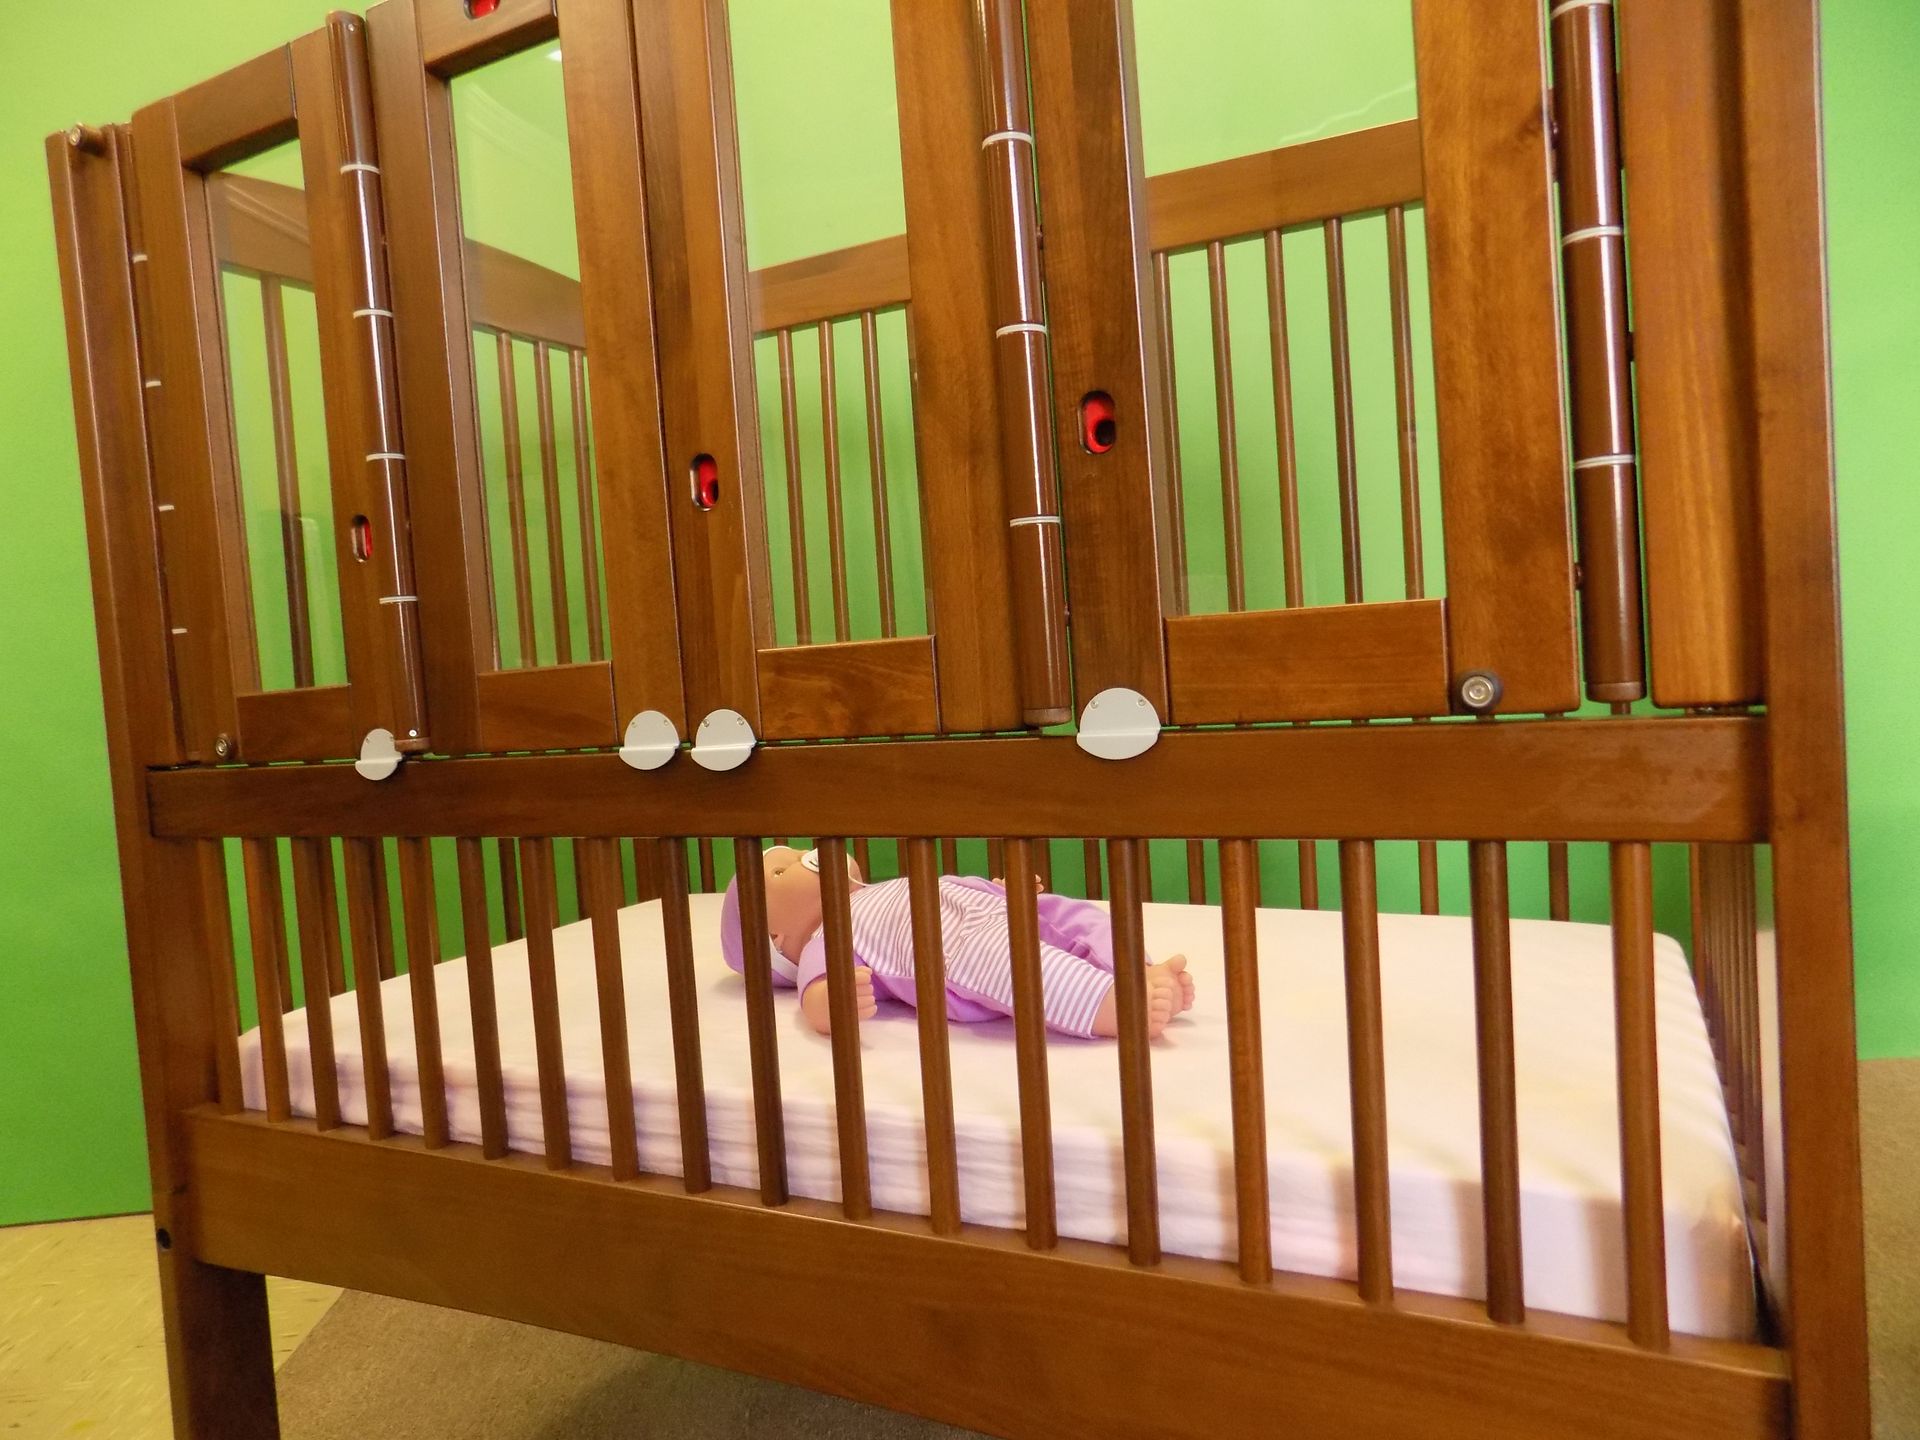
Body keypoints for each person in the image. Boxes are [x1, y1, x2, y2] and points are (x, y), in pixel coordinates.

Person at [718, 845, 1195, 1039]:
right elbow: (815, 994)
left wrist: (994, 890)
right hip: (949, 952)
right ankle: (1111, 1006)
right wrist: (832, 1001)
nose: (809, 855)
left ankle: (1134, 968)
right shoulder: (827, 935)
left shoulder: (878, 890)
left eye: (799, 849)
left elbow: (945, 888)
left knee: (1078, 916)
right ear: (777, 939)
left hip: (990, 911)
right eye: (783, 870)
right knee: (1010, 964)